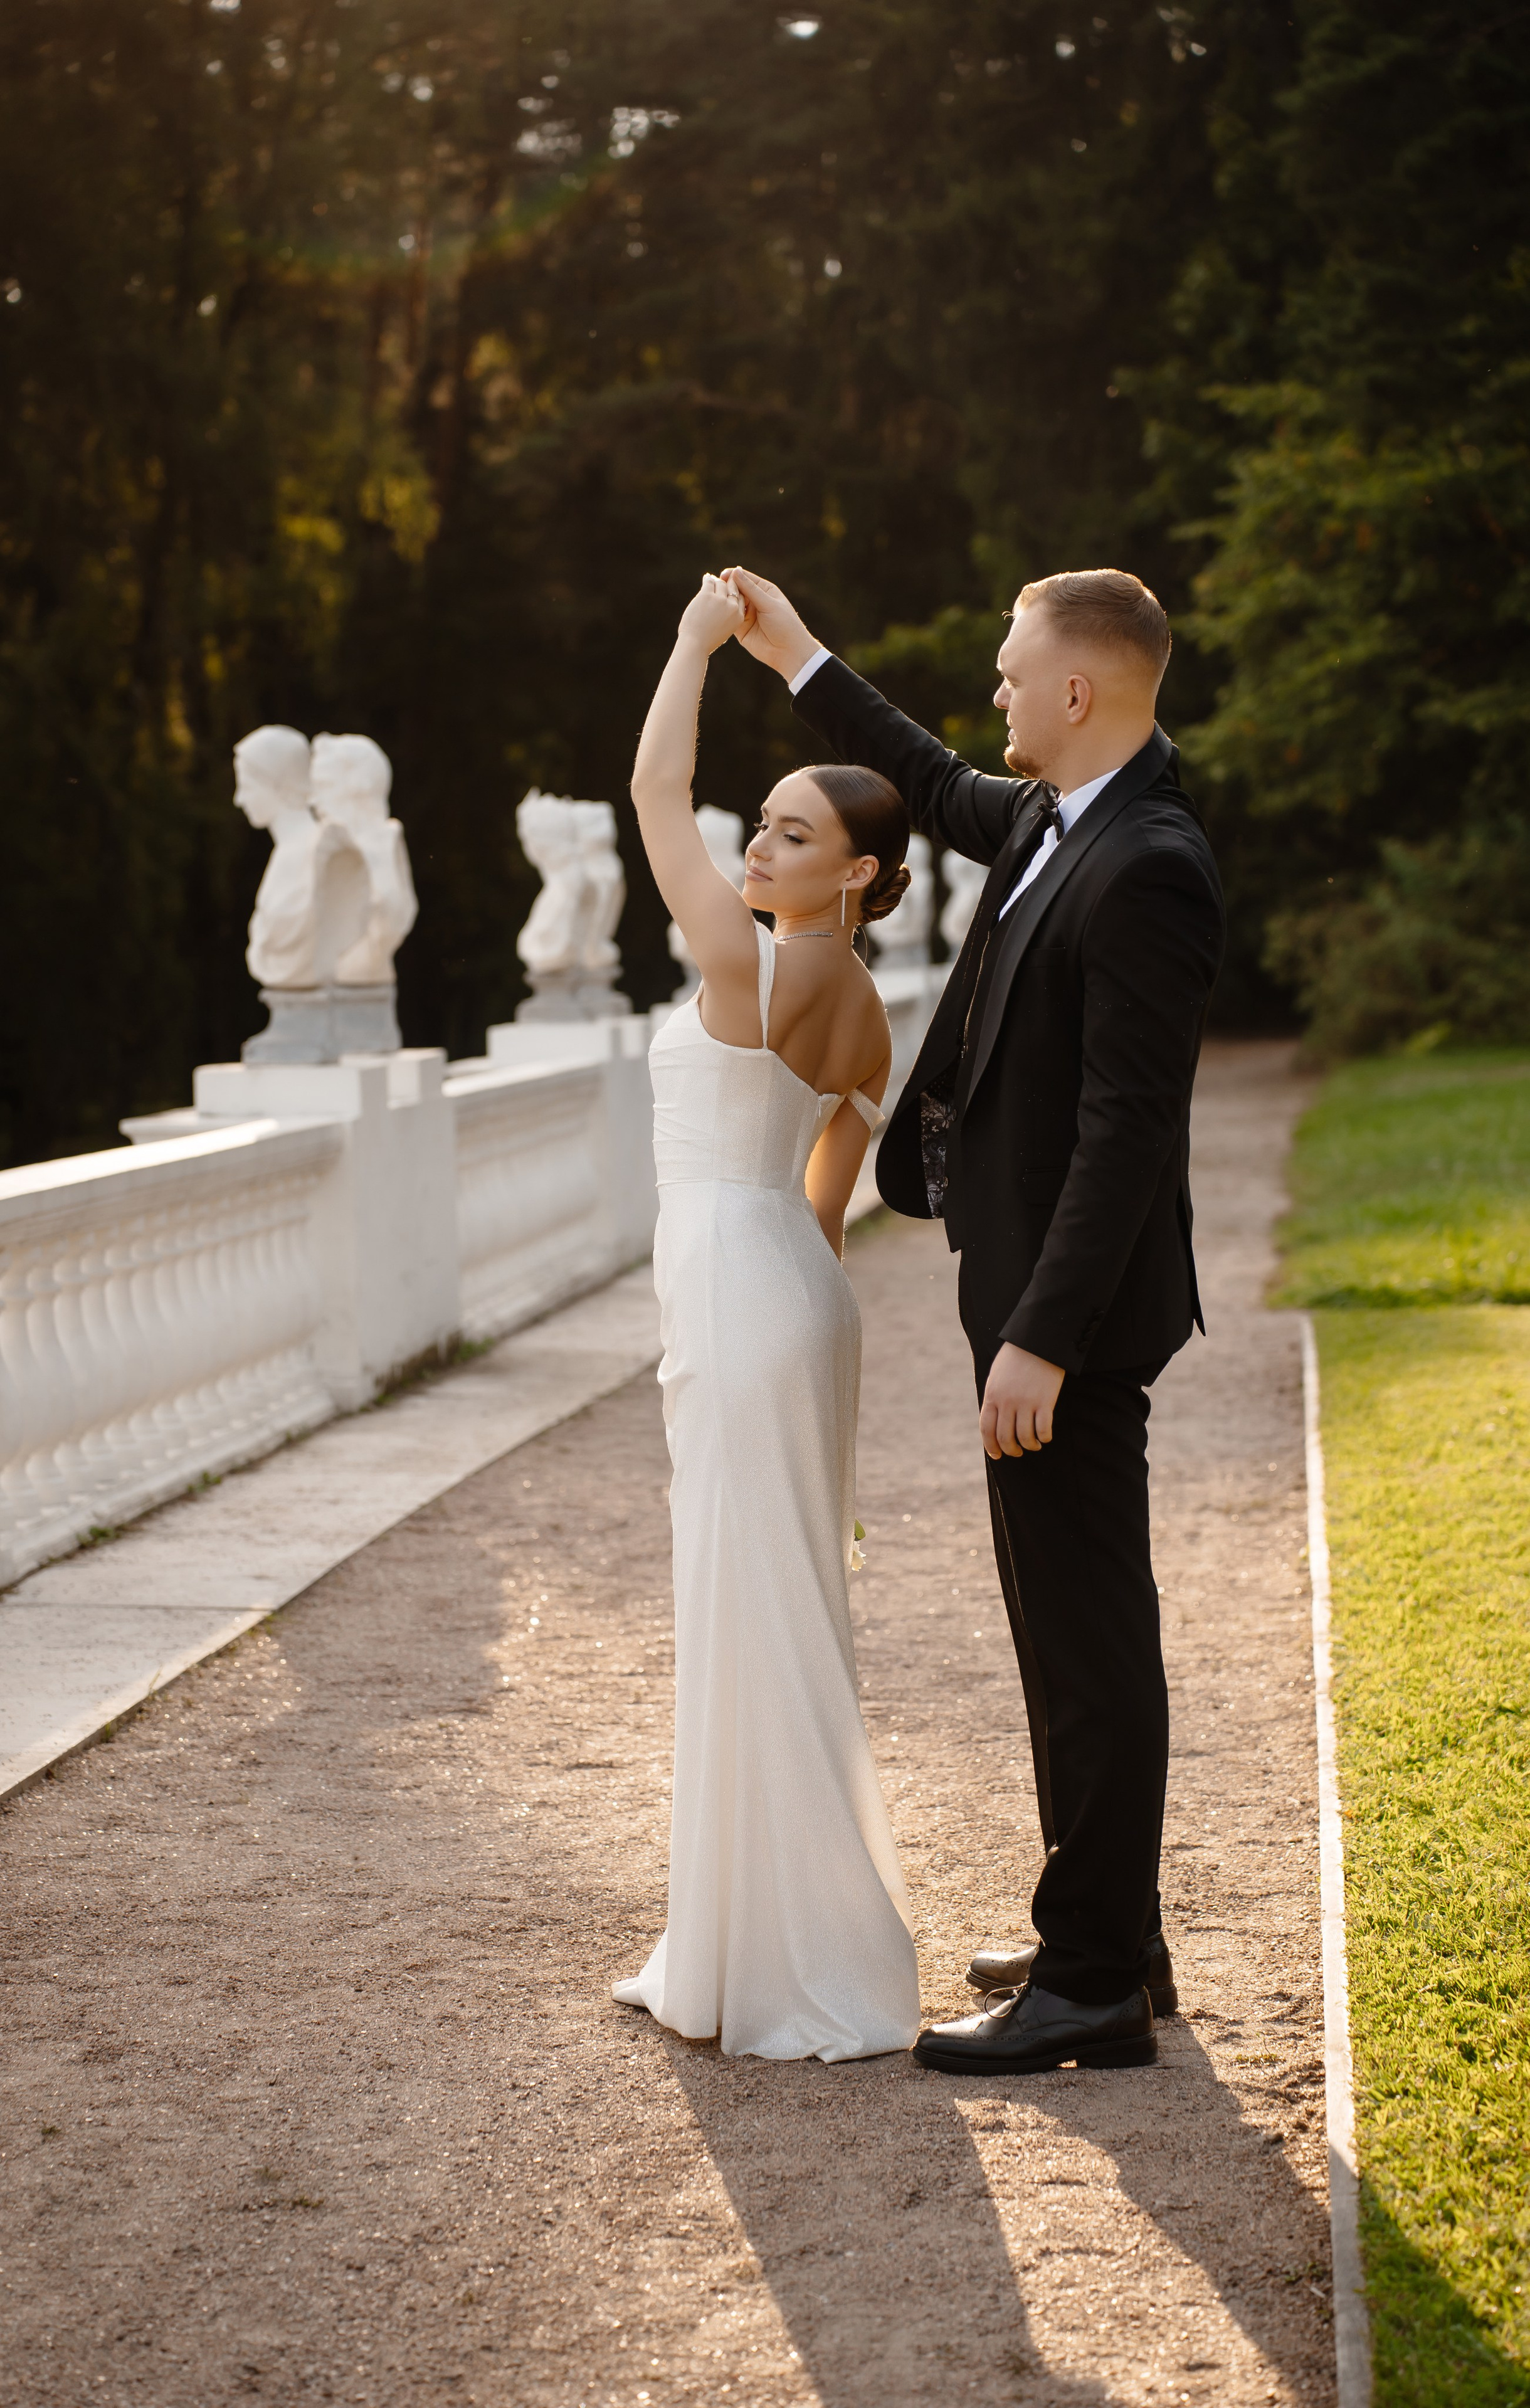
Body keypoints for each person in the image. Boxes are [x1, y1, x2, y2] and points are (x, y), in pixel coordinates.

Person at [727, 563, 1225, 2077]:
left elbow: (1125, 1129)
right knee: (1060, 1623)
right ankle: (1109, 1935)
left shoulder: (1145, 862)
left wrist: (1045, 1338)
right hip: (1018, 1299)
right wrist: (793, 648)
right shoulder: (1050, 820)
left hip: (1060, 1325)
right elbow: (926, 775)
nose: (993, 692)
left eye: (1013, 672)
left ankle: (1085, 1986)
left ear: (1076, 693)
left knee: (1085, 1636)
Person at [612, 573, 922, 2062]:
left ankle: (775, 1958)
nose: (756, 840)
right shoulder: (859, 1003)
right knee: (779, 1605)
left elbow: (650, 787)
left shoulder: (741, 965)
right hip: (791, 1295)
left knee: (746, 1611)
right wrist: (769, 1319)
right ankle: (759, 1937)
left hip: (742, 1296)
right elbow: (824, 1196)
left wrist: (690, 646)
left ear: (855, 875)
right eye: (764, 820)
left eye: (796, 833)